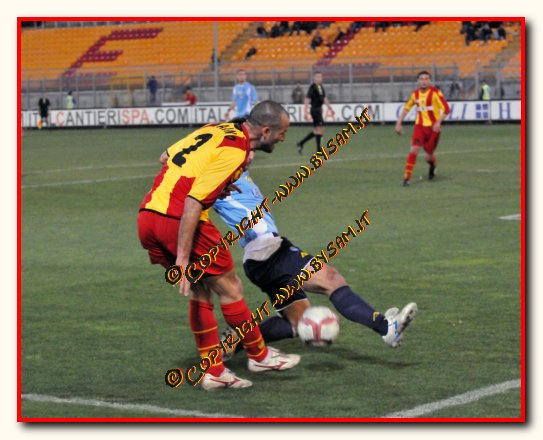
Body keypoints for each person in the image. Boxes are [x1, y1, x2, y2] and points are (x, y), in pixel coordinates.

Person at [137, 101, 300, 390]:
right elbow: (192, 202)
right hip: (178, 218)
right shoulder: (236, 149)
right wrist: (183, 259)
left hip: (148, 216)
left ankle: (214, 372)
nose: (283, 138)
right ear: (265, 131)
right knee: (230, 287)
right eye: (282, 132)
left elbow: (165, 158)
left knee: (202, 289)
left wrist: (215, 183)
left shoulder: (215, 129)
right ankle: (259, 356)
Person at [213, 164, 418, 353]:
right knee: (331, 280)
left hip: (260, 257)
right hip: (268, 251)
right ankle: (386, 328)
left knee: (297, 322)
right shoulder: (219, 172)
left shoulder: (238, 167)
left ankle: (231, 344)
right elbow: (198, 200)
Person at [395, 70, 450, 186]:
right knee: (414, 149)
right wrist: (399, 123)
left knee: (428, 157)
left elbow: (446, 109)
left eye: (426, 79)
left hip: (433, 129)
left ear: (430, 81)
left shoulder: (435, 93)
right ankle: (406, 178)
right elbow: (406, 108)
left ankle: (432, 166)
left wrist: (438, 123)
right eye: (421, 79)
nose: (424, 81)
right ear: (418, 81)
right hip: (419, 127)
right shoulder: (415, 94)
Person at [296, 71, 335, 154]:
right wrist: (305, 112)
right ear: (314, 78)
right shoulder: (312, 87)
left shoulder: (321, 87)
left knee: (318, 130)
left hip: (318, 110)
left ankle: (301, 143)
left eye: (320, 77)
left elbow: (324, 98)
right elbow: (307, 99)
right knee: (320, 129)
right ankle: (318, 149)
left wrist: (330, 108)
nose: (319, 78)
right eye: (317, 77)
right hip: (315, 110)